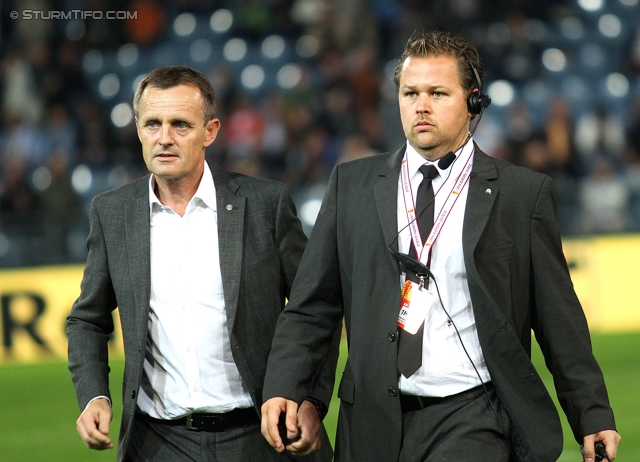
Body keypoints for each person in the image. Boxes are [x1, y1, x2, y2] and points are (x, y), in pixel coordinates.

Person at [261, 31, 620, 461]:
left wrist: (592, 413)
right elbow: (312, 305)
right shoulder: (351, 185)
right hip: (372, 421)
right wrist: (287, 386)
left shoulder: (522, 194)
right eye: (410, 93)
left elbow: (558, 317)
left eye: (437, 93)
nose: (421, 106)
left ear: (473, 102)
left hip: (473, 415)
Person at [67, 65, 338, 462]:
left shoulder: (265, 204)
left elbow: (314, 310)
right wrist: (94, 395)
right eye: (152, 124)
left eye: (181, 125)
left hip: (261, 437)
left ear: (210, 131)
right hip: (157, 444)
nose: (164, 138)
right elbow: (87, 319)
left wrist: (312, 400)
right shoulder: (112, 213)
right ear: (138, 128)